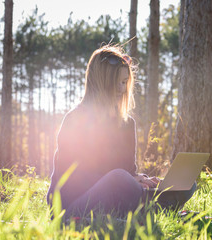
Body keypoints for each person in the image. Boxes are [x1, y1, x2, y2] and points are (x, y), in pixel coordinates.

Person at [47, 44, 196, 219]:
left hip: (118, 194)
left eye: (125, 82)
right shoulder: (76, 120)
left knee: (186, 183)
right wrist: (128, 180)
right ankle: (157, 209)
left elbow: (128, 170)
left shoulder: (126, 123)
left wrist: (143, 179)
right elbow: (73, 179)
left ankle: (153, 207)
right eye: (116, 82)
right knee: (119, 179)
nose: (122, 88)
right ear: (100, 84)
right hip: (72, 205)